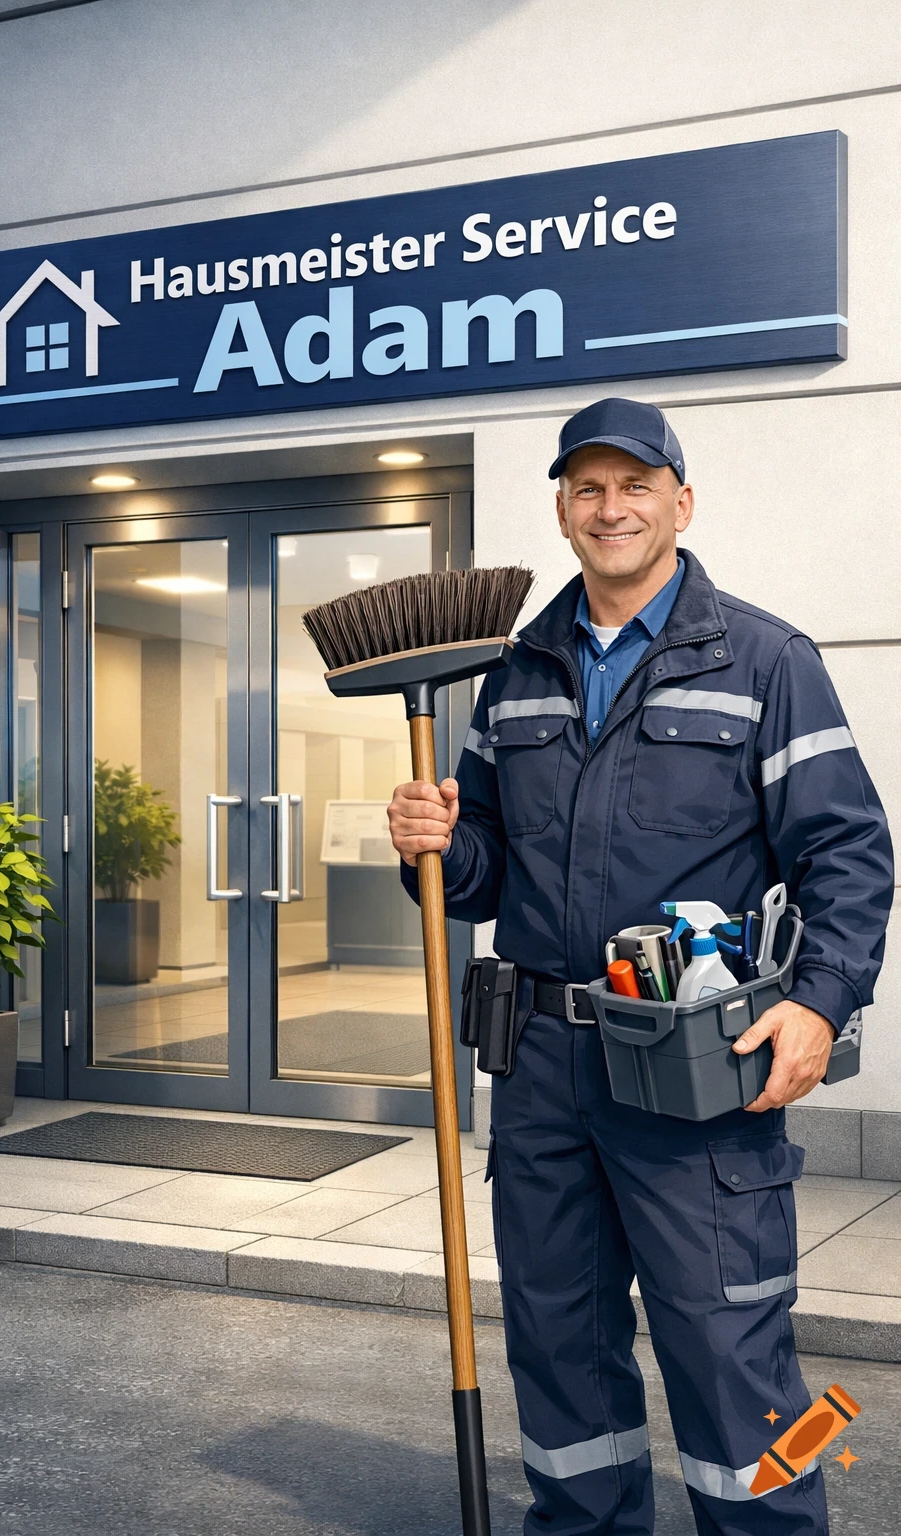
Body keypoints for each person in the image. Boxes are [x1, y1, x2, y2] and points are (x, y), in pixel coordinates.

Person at [388, 397, 894, 1536]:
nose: (608, 507)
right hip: (539, 1071)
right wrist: (433, 842)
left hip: (692, 1067)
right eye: (585, 487)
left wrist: (817, 1004)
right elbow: (477, 880)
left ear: (680, 499)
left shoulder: (766, 658)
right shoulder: (512, 672)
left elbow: (849, 855)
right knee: (558, 1338)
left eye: (632, 484)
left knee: (728, 1341)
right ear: (561, 509)